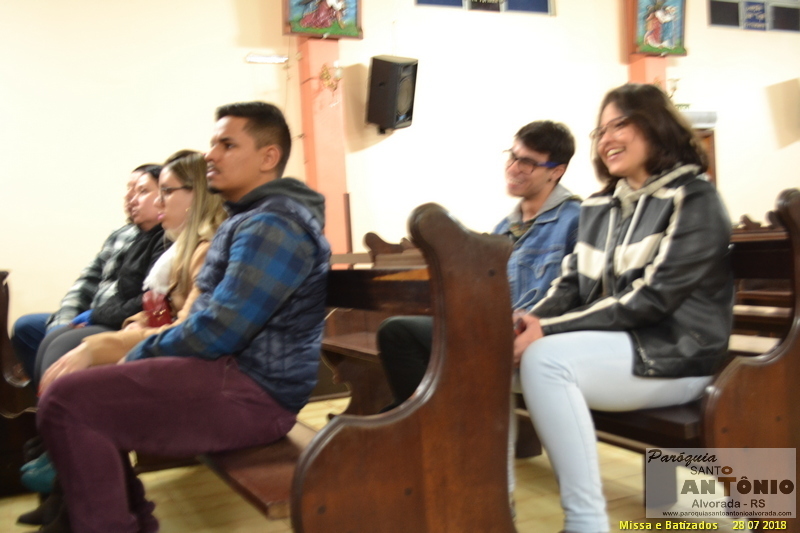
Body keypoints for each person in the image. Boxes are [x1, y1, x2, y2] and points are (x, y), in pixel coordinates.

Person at [36, 101, 331, 533]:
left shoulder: (274, 225)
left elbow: (219, 329)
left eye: (227, 145)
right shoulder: (251, 219)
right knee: (83, 395)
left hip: (256, 395)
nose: (211, 155)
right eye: (212, 143)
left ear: (268, 157)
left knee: (68, 403)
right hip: (232, 376)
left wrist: (132, 354)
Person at [513, 83, 733, 533]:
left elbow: (652, 299)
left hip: (677, 354)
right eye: (601, 130)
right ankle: (497, 506)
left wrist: (546, 331)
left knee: (546, 360)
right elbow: (570, 285)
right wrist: (528, 322)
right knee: (499, 354)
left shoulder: (694, 197)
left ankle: (586, 522)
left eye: (620, 125)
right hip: (620, 349)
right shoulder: (600, 206)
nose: (607, 138)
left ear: (656, 126)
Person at [378, 120, 581, 410]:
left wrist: (533, 325)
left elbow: (578, 292)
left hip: (531, 335)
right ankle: (426, 417)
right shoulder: (504, 227)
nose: (513, 168)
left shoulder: (576, 218)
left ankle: (426, 419)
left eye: (527, 163)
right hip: (491, 328)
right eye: (512, 156)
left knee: (401, 334)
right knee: (397, 331)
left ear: (556, 171)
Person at [37, 151, 227, 391]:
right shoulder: (182, 248)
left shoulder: (207, 251)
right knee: (56, 343)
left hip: (187, 364)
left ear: (197, 195)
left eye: (167, 191)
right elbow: (160, 306)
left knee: (68, 352)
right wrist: (135, 322)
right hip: (159, 342)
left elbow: (186, 329)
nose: (158, 202)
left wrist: (97, 346)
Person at [10, 165, 160, 379]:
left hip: (117, 321)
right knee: (29, 328)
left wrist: (94, 317)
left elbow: (143, 298)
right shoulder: (121, 235)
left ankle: (56, 394)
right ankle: (46, 394)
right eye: (129, 189)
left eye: (141, 190)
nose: (131, 197)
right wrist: (64, 322)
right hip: (96, 314)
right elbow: (86, 282)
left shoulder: (163, 240)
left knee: (59, 345)